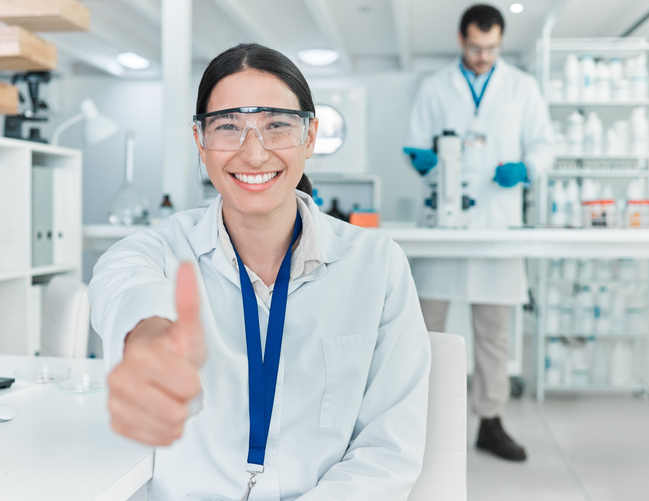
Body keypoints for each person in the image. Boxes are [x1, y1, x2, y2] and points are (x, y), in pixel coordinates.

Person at [89, 43, 430, 500]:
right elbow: (119, 279)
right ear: (200, 141)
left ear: (310, 137)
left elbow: (388, 452)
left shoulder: (376, 264)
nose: (253, 153)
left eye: (277, 126)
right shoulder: (164, 248)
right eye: (228, 126)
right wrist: (149, 336)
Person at [404, 4, 554, 462]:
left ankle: (490, 421)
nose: (483, 55)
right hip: (444, 225)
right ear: (460, 39)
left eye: (491, 48)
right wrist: (422, 161)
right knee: (427, 328)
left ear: (501, 43)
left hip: (496, 223)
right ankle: (421, 421)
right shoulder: (434, 87)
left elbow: (544, 144)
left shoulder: (522, 88)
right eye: (475, 47)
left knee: (494, 333)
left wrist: (526, 169)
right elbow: (414, 142)